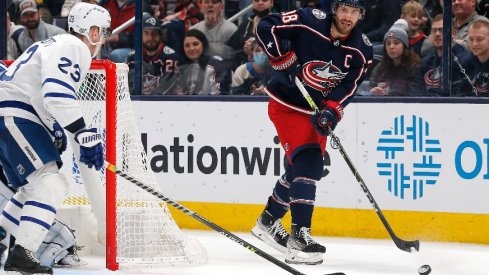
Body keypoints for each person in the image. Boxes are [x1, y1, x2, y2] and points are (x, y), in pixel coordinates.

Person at [252, 0, 373, 265]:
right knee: (310, 161)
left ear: (360, 15)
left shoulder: (362, 49)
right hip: (286, 104)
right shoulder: (309, 19)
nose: (347, 16)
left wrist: (332, 111)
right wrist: (280, 57)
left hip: (315, 111)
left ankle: (268, 220)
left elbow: (348, 89)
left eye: (354, 12)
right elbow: (266, 27)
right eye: (344, 9)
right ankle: (298, 236)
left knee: (303, 170)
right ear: (335, 9)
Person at [0, 3, 110, 274]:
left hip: (12, 113)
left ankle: (3, 235)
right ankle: (23, 252)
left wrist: (56, 130)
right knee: (53, 183)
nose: (103, 39)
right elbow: (57, 94)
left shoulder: (55, 43)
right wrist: (85, 133)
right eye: (102, 32)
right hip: (16, 113)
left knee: (31, 188)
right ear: (92, 31)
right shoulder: (75, 47)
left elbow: (42, 94)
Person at [411, 14, 469, 96]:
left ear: (453, 33)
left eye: (441, 30)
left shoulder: (463, 60)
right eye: (434, 30)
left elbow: (459, 95)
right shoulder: (426, 61)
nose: (437, 34)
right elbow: (416, 90)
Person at [126, 13, 179, 95]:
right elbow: (127, 86)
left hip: (163, 103)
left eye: (154, 33)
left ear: (160, 35)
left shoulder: (170, 56)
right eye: (146, 33)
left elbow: (166, 88)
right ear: (141, 35)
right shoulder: (133, 57)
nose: (150, 37)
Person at [368, 24, 421, 96]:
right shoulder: (380, 67)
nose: (391, 47)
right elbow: (370, 89)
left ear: (404, 46)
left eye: (396, 43)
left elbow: (415, 95)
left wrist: (388, 95)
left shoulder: (415, 67)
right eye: (388, 43)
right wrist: (372, 92)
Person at [173, 29, 230, 95]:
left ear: (204, 44)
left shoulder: (216, 63)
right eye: (187, 45)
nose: (191, 49)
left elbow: (220, 95)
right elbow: (176, 96)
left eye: (195, 44)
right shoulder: (179, 66)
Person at [227, 0, 274, 70]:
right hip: (244, 72)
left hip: (270, 72)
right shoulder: (245, 24)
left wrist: (255, 48)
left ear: (271, 3)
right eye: (256, 0)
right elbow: (231, 48)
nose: (260, 3)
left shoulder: (278, 23)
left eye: (264, 0)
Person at [458, 17, 489, 96]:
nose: (474, 44)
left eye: (479, 39)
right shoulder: (465, 63)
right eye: (471, 39)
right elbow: (459, 93)